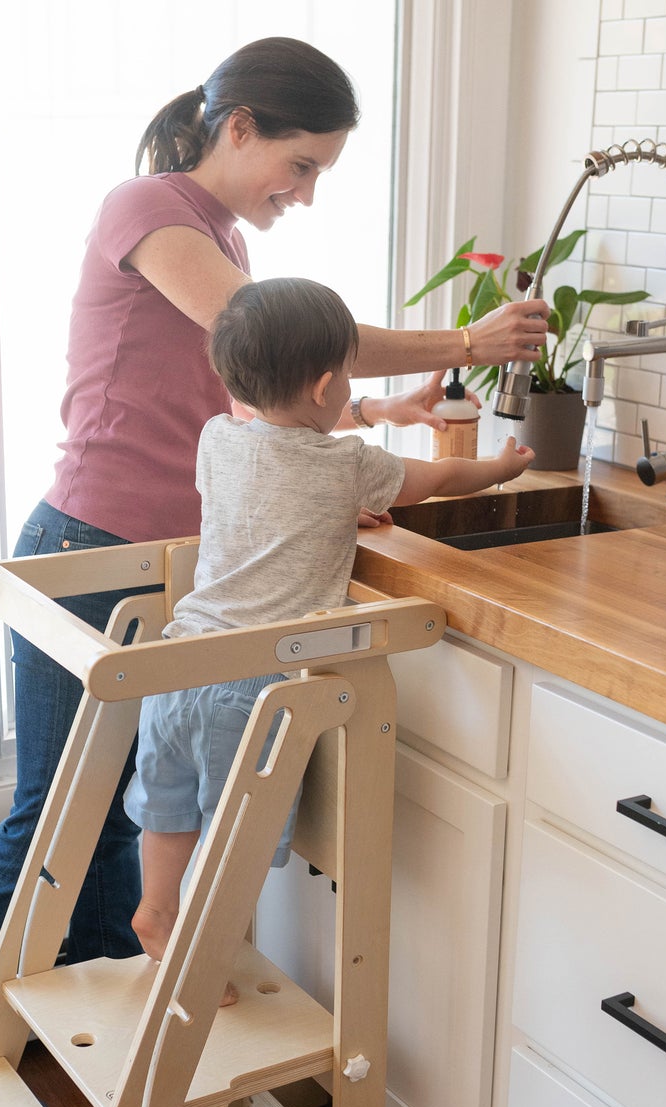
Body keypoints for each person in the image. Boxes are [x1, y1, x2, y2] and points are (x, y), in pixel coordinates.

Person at [0, 36, 551, 1056]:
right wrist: (464, 342)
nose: (303, 192)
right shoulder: (147, 212)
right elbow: (287, 344)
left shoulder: (223, 237)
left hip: (166, 562)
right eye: (300, 164)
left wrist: (369, 415)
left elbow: (257, 403)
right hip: (88, 544)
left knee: (129, 818)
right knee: (54, 814)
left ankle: (96, 1026)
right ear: (240, 127)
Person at [124, 277, 534, 1005]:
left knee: (169, 808)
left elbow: (266, 494)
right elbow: (436, 478)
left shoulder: (216, 441)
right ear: (324, 388)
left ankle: (157, 909)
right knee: (234, 836)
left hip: (177, 664)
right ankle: (204, 953)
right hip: (251, 688)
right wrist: (500, 468)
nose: (351, 386)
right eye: (347, 373)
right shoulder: (349, 465)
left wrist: (333, 510)